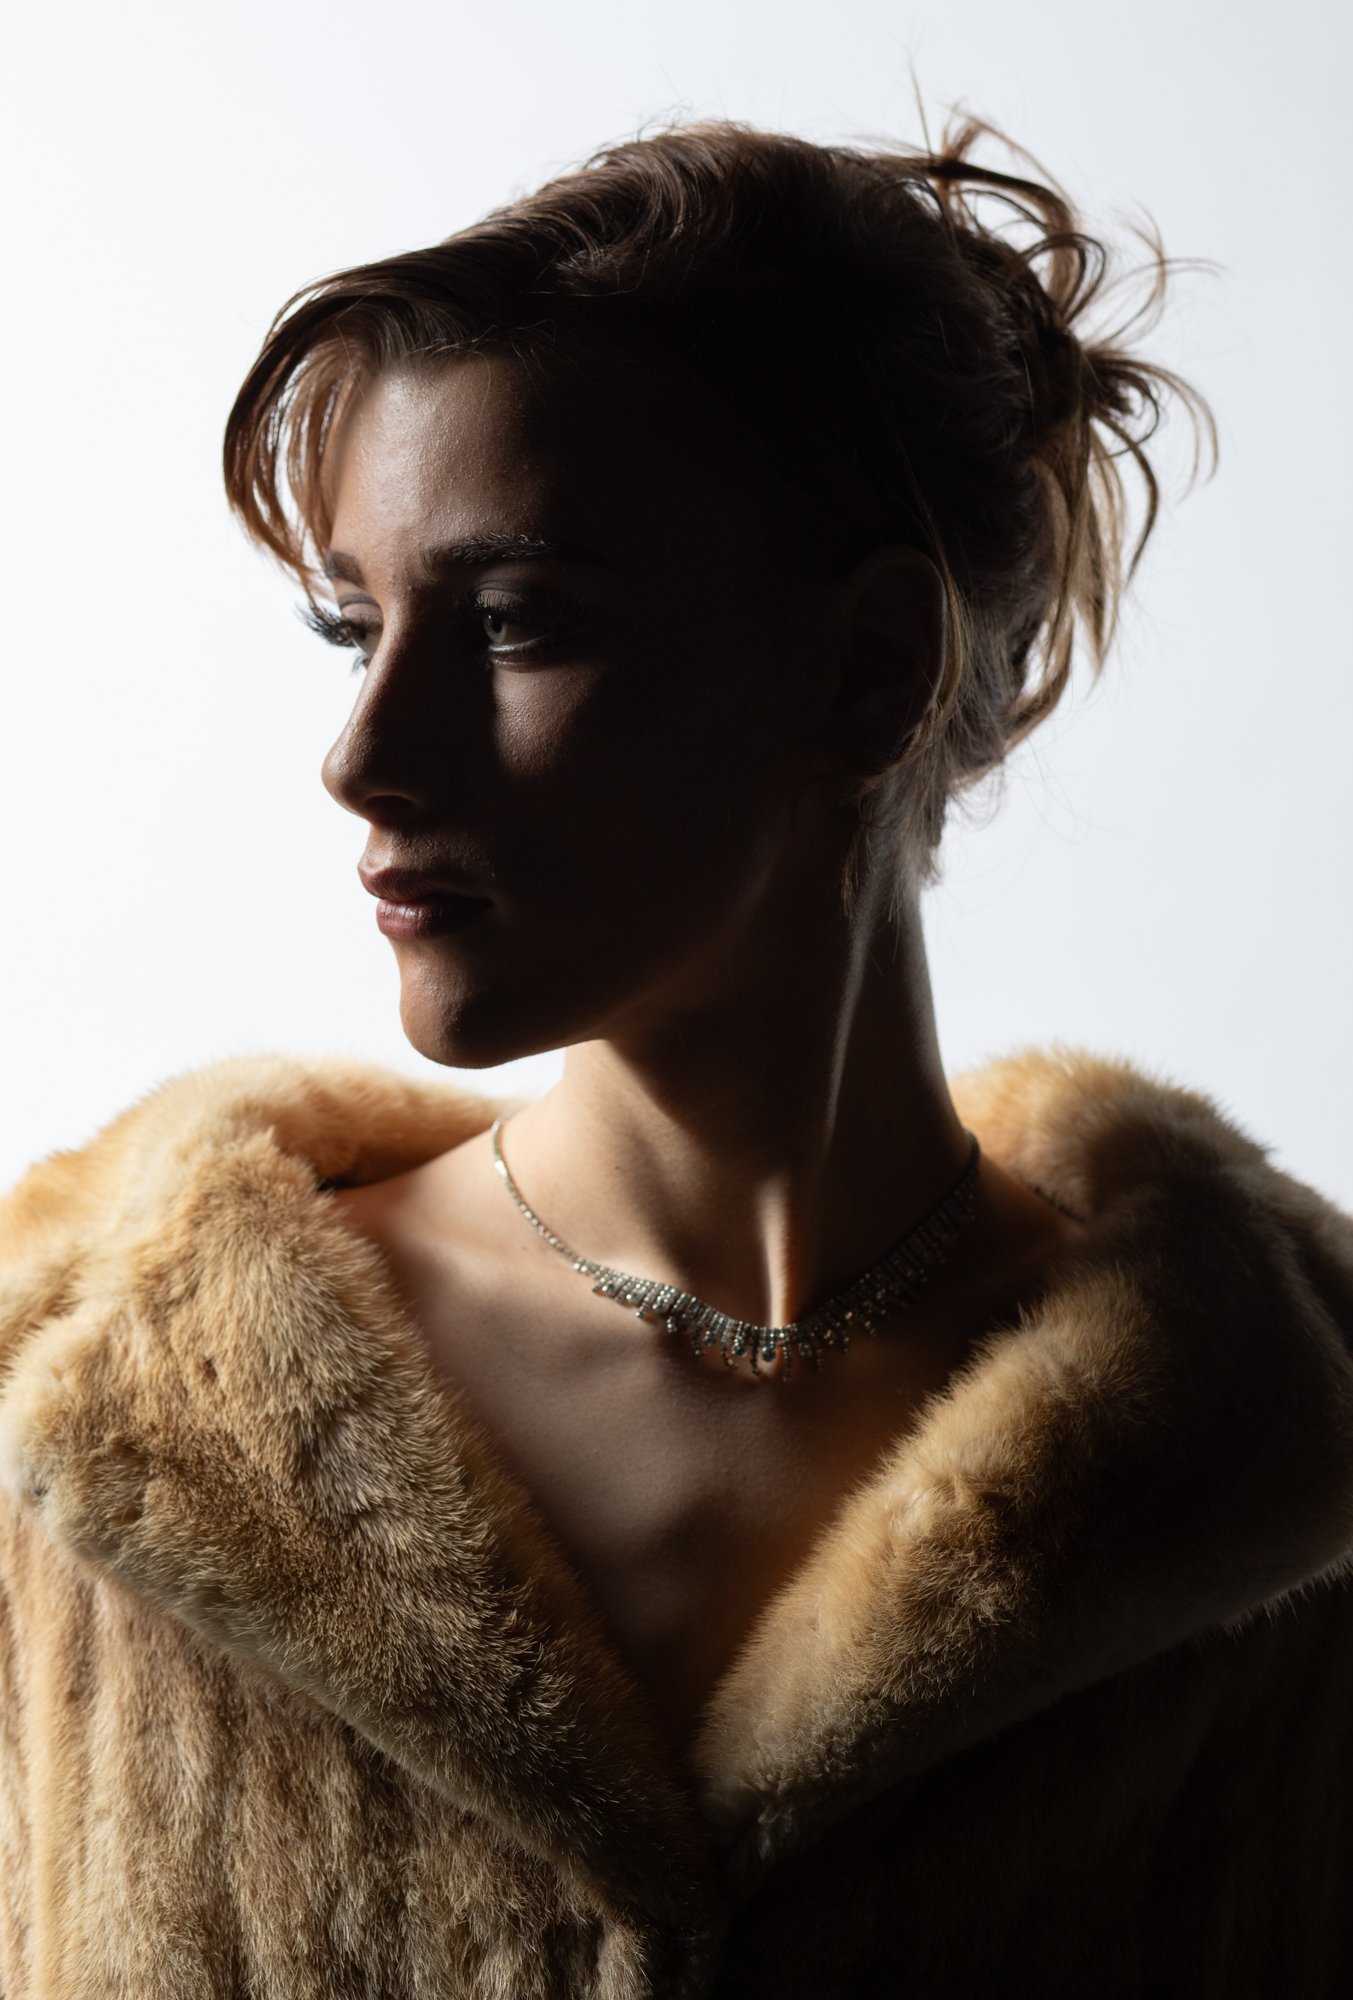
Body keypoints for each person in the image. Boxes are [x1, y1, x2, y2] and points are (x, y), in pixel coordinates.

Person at [1, 112, 1351, 2000]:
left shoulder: (1283, 1479)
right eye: (352, 627)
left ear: (865, 670)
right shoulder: (78, 1409)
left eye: (516, 623)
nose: (365, 754)